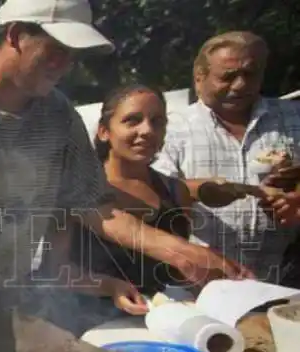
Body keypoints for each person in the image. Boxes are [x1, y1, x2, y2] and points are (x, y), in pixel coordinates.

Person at [0, 0, 251, 352]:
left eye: (71, 55)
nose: (64, 66)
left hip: (23, 305)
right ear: (15, 36)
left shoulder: (60, 114)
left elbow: (97, 209)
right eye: (55, 51)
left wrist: (182, 252)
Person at [58, 84, 263, 333]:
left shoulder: (175, 192)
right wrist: (109, 286)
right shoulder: (76, 190)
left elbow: (174, 270)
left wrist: (211, 278)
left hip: (160, 326)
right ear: (104, 131)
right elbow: (55, 270)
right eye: (132, 120)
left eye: (157, 122)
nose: (146, 130)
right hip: (88, 326)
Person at [153, 31, 300, 283]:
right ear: (199, 79)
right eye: (228, 76)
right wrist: (201, 189)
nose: (240, 84)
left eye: (250, 74)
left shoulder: (293, 117)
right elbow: (153, 191)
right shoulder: (172, 128)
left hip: (286, 276)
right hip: (202, 279)